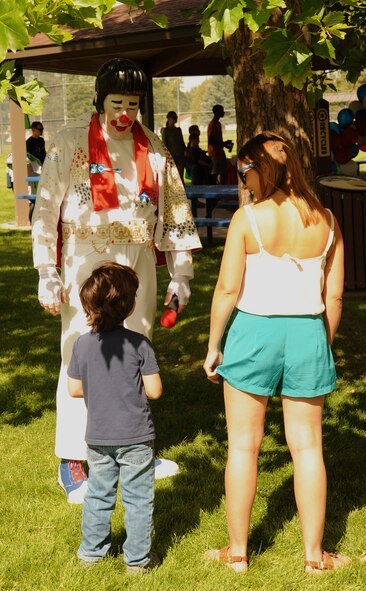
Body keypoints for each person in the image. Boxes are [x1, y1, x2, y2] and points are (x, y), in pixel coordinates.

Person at [32, 58, 201, 504]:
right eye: (117, 102)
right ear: (100, 100)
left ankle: (133, 449)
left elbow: (176, 214)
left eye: (133, 103)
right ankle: (73, 459)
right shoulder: (69, 144)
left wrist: (181, 275)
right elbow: (45, 212)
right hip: (84, 260)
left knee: (135, 351)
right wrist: (47, 273)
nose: (125, 112)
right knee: (80, 350)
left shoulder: (156, 151)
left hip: (139, 261)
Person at [203, 131, 349, 574]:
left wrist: (213, 346)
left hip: (253, 332)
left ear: (259, 168)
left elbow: (228, 289)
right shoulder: (326, 218)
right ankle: (313, 556)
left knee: (243, 447)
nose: (242, 181)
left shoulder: (249, 219)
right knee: (307, 448)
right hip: (308, 329)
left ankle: (238, 553)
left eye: (243, 172)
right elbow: (335, 296)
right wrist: (321, 343)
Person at [68, 262, 162, 572]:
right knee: (137, 499)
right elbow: (155, 391)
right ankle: (137, 561)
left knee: (98, 494)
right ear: (130, 304)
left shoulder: (81, 345)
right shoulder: (139, 345)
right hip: (135, 437)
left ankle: (91, 554)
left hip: (98, 437)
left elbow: (74, 389)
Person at [207, 104, 232, 184]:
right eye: (222, 110)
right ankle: (212, 191)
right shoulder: (213, 124)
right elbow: (211, 140)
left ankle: (222, 188)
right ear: (217, 112)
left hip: (220, 151)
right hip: (215, 152)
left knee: (223, 171)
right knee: (216, 172)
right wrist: (223, 143)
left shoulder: (218, 123)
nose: (223, 112)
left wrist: (224, 144)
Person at [161, 111, 186, 181]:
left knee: (181, 178)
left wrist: (185, 150)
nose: (175, 119)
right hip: (171, 157)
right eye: (174, 117)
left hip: (180, 156)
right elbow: (165, 145)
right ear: (169, 118)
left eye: (176, 117)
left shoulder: (178, 130)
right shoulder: (166, 131)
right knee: (172, 178)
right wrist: (167, 157)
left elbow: (182, 142)